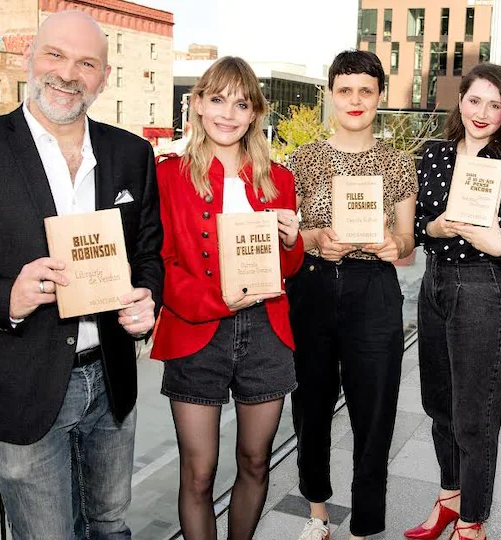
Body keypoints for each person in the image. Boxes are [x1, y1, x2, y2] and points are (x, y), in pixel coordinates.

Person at [0, 11, 163, 539]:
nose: (68, 73)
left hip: (110, 378)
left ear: (104, 77)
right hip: (18, 381)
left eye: (86, 63)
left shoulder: (130, 153)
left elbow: (149, 252)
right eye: (56, 55)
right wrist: (7, 298)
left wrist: (147, 297)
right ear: (28, 59)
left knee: (111, 525)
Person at [149, 56, 304, 540]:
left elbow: (290, 270)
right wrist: (218, 300)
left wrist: (292, 241)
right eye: (216, 100)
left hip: (266, 333)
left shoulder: (279, 179)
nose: (228, 113)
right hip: (196, 331)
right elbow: (162, 264)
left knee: (256, 461)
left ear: (255, 112)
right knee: (198, 472)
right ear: (196, 105)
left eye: (241, 103)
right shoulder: (169, 175)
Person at [406, 63, 501, 540]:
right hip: (435, 285)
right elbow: (417, 223)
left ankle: (472, 521)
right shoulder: (436, 155)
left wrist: (496, 243)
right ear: (460, 101)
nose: (482, 112)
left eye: (495, 104)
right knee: (437, 402)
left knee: (475, 412)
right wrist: (436, 228)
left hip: (486, 287)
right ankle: (450, 496)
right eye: (474, 100)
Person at [288, 50, 417, 540]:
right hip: (314, 288)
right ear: (330, 95)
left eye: (366, 90)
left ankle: (366, 525)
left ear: (380, 97)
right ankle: (318, 513)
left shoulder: (399, 162)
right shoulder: (301, 160)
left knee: (375, 410)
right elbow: (287, 233)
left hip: (374, 292)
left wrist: (395, 244)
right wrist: (317, 238)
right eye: (345, 90)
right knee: (311, 406)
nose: (355, 100)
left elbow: (408, 238)